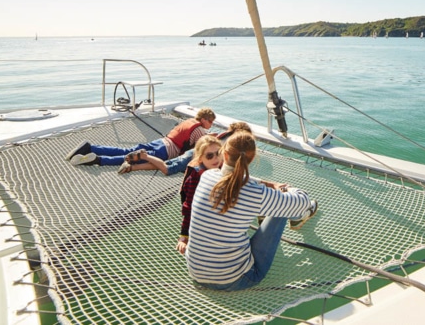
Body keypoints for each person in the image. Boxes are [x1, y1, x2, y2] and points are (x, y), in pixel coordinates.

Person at [185, 131, 318, 291]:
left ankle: (286, 214)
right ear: (253, 158)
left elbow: (233, 178)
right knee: (283, 205)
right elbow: (302, 200)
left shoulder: (207, 176)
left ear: (225, 155)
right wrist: (287, 189)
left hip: (195, 272)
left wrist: (268, 184)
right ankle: (298, 216)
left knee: (273, 204)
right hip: (236, 279)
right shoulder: (255, 193)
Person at [65, 107, 216, 167]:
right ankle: (97, 159)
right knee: (131, 158)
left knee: (128, 150)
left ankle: (91, 147)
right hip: (165, 152)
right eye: (210, 121)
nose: (211, 124)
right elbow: (201, 148)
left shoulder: (189, 121)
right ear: (203, 119)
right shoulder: (200, 130)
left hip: (161, 142)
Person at [115, 121, 252, 175]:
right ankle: (144, 156)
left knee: (165, 164)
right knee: (168, 169)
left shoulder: (222, 134)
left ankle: (132, 166)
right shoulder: (231, 142)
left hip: (193, 152)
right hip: (195, 157)